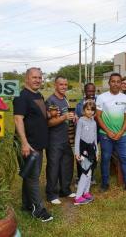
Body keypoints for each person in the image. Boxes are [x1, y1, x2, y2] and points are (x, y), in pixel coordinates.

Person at [13, 67, 53, 222]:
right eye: (34, 77)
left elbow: (38, 115)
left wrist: (49, 114)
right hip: (28, 145)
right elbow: (18, 119)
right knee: (33, 177)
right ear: (26, 79)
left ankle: (27, 204)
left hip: (38, 144)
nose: (37, 80)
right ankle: (38, 209)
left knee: (29, 175)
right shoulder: (22, 96)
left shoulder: (38, 95)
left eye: (39, 77)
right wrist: (24, 143)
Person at [96, 73, 126, 193]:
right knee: (105, 158)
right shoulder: (101, 97)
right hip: (105, 135)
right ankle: (105, 184)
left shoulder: (125, 98)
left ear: (121, 84)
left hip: (122, 135)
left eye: (118, 81)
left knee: (124, 159)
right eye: (113, 81)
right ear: (109, 83)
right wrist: (108, 131)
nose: (115, 84)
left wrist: (121, 132)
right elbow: (98, 117)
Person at [45, 76, 76, 204]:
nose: (64, 87)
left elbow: (66, 115)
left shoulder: (64, 99)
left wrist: (74, 117)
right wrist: (64, 117)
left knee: (67, 165)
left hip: (66, 138)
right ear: (55, 85)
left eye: (65, 84)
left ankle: (65, 190)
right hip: (54, 140)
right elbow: (49, 123)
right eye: (61, 84)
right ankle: (51, 194)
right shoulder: (51, 101)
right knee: (54, 166)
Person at [73, 100, 98, 205]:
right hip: (83, 150)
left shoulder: (94, 122)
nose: (90, 112)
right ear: (84, 110)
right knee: (85, 172)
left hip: (91, 149)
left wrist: (97, 151)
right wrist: (77, 152)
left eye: (92, 110)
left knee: (90, 172)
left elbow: (95, 138)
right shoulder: (81, 121)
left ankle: (86, 192)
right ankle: (78, 197)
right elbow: (77, 137)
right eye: (88, 109)